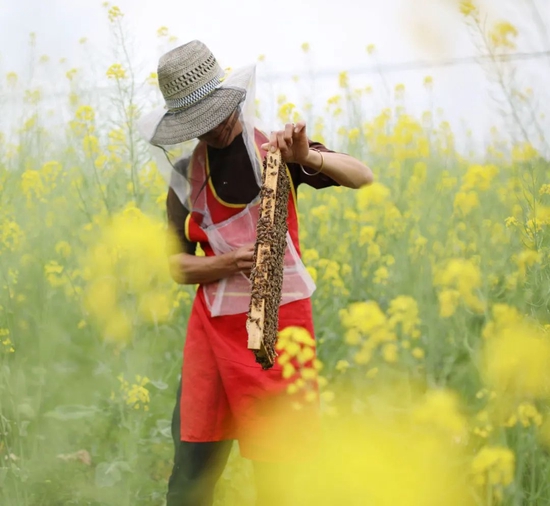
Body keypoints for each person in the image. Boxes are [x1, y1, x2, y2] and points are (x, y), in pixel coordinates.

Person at [138, 40, 373, 506]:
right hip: (213, 337)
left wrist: (309, 158)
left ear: (234, 102)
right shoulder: (186, 177)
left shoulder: (278, 152)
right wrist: (226, 262)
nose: (214, 131)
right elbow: (176, 266)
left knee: (281, 476)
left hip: (280, 335)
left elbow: (362, 175)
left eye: (218, 117)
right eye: (199, 127)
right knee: (190, 474)